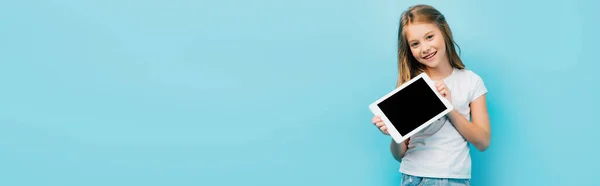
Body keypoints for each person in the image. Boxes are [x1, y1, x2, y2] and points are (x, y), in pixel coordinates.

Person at [371, 4, 491, 186]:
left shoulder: (471, 81)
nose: (425, 48)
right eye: (415, 44)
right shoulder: (411, 87)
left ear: (444, 32)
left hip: (455, 179)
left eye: (429, 37)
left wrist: (447, 108)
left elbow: (483, 142)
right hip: (414, 177)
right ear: (409, 49)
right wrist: (395, 134)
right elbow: (399, 155)